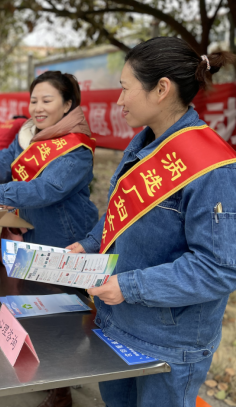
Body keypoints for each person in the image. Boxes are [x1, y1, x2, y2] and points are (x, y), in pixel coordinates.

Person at [67, 37, 236, 407]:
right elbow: (122, 213)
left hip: (169, 342)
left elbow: (219, 268)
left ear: (161, 89)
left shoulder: (213, 167)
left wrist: (129, 286)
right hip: (117, 321)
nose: (119, 101)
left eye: (125, 88)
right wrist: (90, 243)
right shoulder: (144, 143)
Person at [0, 72, 99, 408]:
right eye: (33, 100)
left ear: (68, 105)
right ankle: (52, 371)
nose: (37, 108)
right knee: (31, 307)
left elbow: (45, 190)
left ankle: (61, 389)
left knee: (60, 314)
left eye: (47, 100)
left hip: (64, 242)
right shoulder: (30, 134)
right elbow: (2, 162)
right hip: (26, 237)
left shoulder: (77, 149)